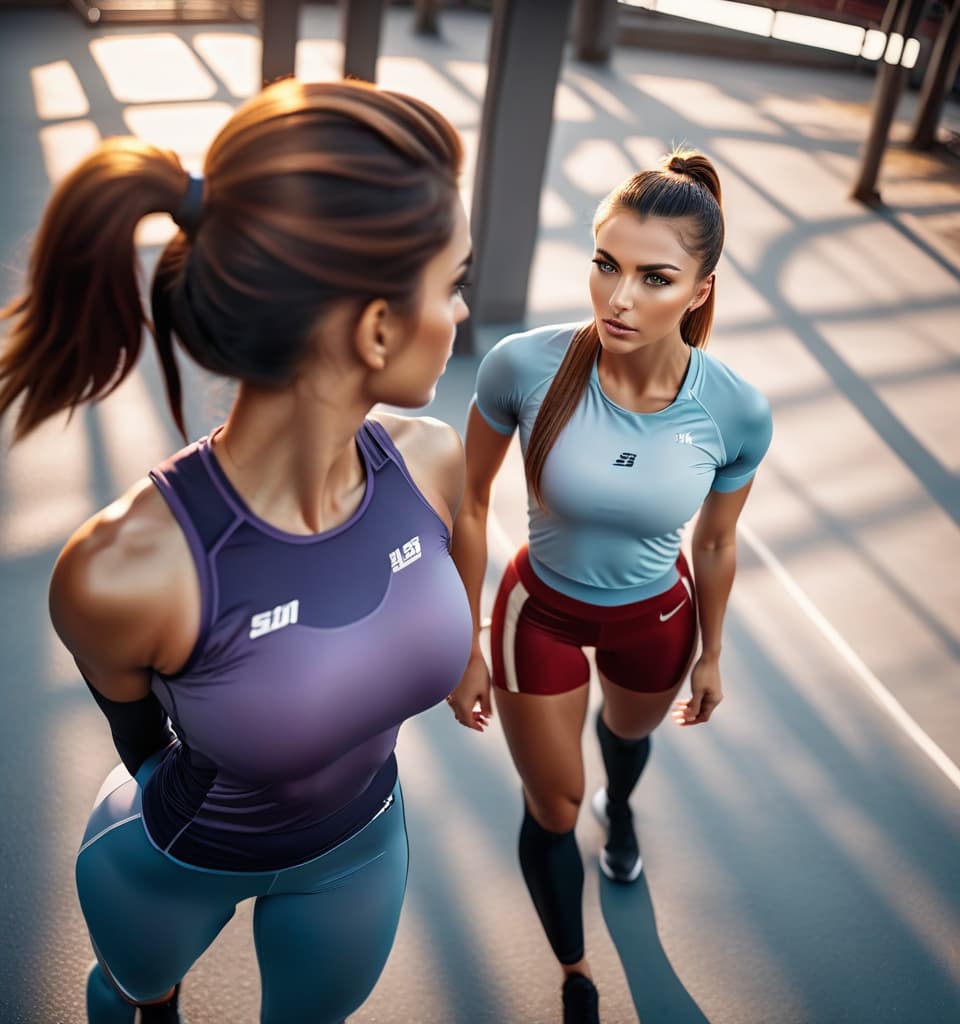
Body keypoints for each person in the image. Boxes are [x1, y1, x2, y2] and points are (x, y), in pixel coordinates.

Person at [0, 78, 474, 1024]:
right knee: (136, 1005)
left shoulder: (432, 462)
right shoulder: (124, 570)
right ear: (378, 327)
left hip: (363, 848)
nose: (461, 315)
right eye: (452, 285)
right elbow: (140, 750)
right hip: (172, 862)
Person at [447, 149, 773, 1024]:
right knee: (550, 807)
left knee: (624, 743)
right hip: (537, 614)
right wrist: (462, 640)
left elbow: (716, 538)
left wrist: (712, 653)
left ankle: (620, 809)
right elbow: (470, 504)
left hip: (655, 619)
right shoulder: (524, 367)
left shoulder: (735, 411)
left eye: (654, 277)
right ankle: (576, 972)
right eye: (605, 264)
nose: (618, 298)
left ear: (699, 290)